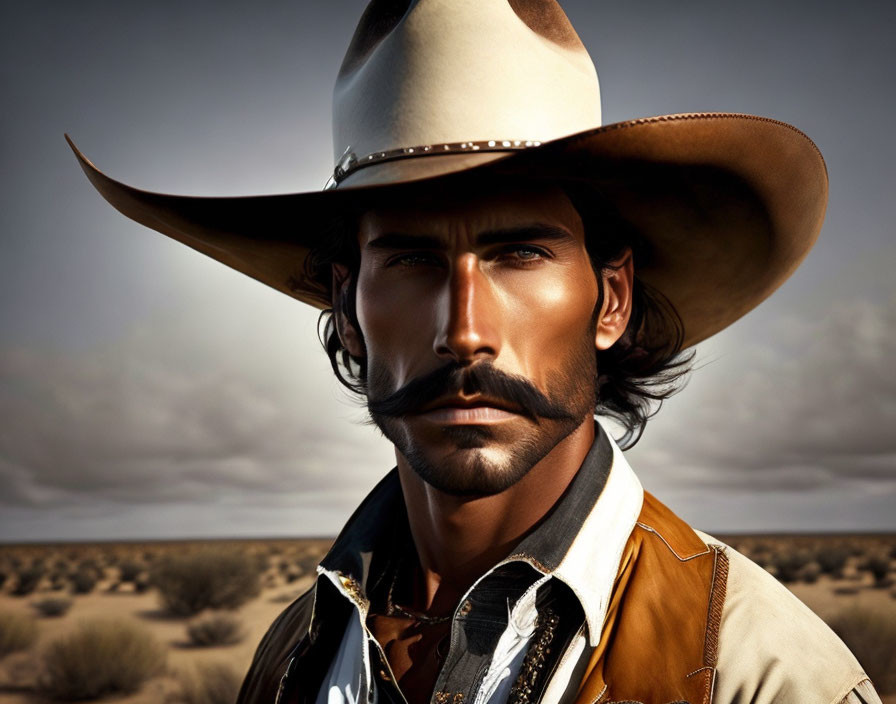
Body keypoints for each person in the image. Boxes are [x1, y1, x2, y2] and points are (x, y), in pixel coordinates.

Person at [68, 1, 882, 702]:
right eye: (413, 260)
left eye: (520, 254)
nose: (463, 330)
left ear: (612, 300)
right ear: (349, 312)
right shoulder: (293, 659)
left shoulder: (757, 673)